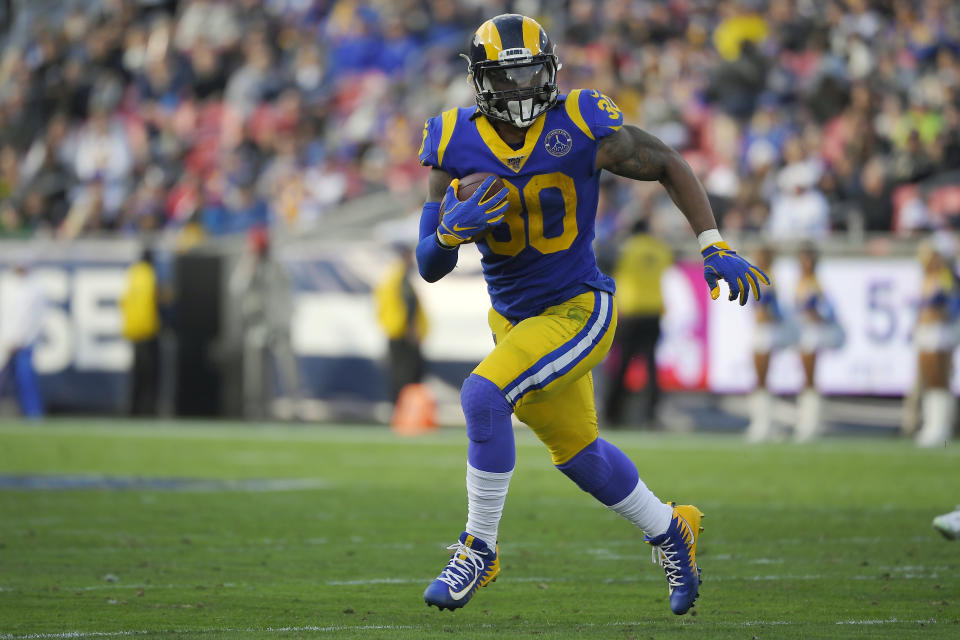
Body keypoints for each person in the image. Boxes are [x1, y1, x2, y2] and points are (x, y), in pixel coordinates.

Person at [414, 14, 769, 616]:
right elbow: (428, 265)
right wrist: (447, 232)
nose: (524, 86)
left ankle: (479, 548)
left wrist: (712, 242)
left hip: (578, 306)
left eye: (532, 71)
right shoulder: (452, 139)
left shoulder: (579, 120)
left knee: (481, 396)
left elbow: (666, 162)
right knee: (579, 454)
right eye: (509, 75)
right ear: (481, 82)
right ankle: (670, 530)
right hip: (515, 320)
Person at [603, 218, 672, 428]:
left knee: (622, 363)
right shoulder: (660, 249)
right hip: (654, 312)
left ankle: (614, 413)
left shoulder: (627, 249)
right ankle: (651, 413)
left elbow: (609, 264)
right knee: (651, 365)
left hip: (631, 312)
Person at [229, 227, 300, 419]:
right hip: (257, 324)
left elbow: (283, 295)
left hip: (278, 324)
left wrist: (284, 321)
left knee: (287, 368)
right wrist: (248, 265)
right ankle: (255, 408)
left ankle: (294, 406)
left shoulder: (276, 267)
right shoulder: (247, 266)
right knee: (255, 372)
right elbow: (237, 288)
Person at [792, 243, 843, 442]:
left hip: (813, 333)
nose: (805, 264)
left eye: (808, 260)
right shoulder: (801, 282)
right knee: (806, 378)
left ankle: (811, 423)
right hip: (804, 332)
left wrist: (816, 317)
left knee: (809, 378)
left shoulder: (815, 284)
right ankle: (808, 421)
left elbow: (828, 310)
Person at [913, 239, 958, 448]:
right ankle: (932, 424)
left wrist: (937, 315)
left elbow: (948, 307)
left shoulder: (945, 278)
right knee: (929, 379)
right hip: (926, 331)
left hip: (940, 332)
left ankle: (942, 426)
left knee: (939, 378)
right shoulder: (926, 279)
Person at [374, 244, 429, 403]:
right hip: (403, 332)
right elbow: (409, 303)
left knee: (397, 373)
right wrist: (411, 328)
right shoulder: (400, 277)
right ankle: (405, 410)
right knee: (408, 374)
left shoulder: (389, 276)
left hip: (394, 329)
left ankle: (400, 410)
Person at [745, 245, 788, 442]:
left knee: (761, 379)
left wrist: (765, 316)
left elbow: (768, 309)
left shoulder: (765, 279)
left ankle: (763, 424)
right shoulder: (764, 278)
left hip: (765, 332)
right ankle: (765, 422)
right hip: (763, 331)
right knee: (761, 379)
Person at [0, 262, 45, 418]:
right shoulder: (6, 285)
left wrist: (22, 339)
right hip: (5, 343)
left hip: (25, 344)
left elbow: (36, 319)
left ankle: (33, 415)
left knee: (26, 379)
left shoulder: (35, 288)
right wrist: (7, 339)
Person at [120, 246, 161, 416]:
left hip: (132, 330)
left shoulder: (132, 273)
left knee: (136, 373)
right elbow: (153, 299)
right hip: (147, 330)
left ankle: (133, 409)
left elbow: (124, 301)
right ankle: (147, 409)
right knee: (149, 374)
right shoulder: (149, 274)